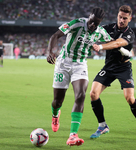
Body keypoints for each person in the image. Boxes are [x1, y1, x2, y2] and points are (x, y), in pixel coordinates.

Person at [47, 7, 112, 146]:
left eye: (97, 23)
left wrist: (106, 47)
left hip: (80, 65)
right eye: (92, 21)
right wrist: (50, 52)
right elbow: (55, 36)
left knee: (81, 95)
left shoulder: (100, 32)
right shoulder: (76, 23)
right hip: (63, 63)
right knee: (57, 101)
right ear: (89, 17)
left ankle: (73, 135)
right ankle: (55, 115)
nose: (93, 25)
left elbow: (112, 41)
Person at [89, 5, 136, 139]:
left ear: (130, 18)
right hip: (109, 67)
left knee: (129, 98)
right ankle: (102, 125)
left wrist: (100, 46)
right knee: (93, 94)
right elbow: (94, 32)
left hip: (123, 68)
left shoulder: (129, 33)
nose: (121, 20)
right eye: (120, 17)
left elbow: (117, 44)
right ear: (117, 15)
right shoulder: (108, 28)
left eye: (125, 18)